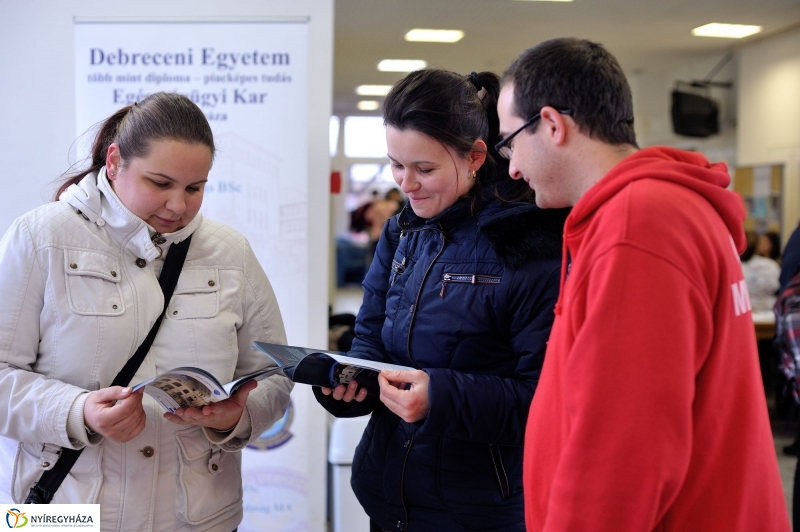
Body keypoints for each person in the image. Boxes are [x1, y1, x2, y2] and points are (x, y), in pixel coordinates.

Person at [496, 38, 790, 531]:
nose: (513, 168)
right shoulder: (664, 209)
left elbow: (621, 453)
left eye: (509, 142)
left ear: (551, 125)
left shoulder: (636, 226)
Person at [0, 92, 292, 532]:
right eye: (160, 183)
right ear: (114, 162)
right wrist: (79, 411)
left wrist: (237, 416)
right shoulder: (41, 237)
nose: (178, 205)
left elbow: (274, 371)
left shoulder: (229, 251)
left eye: (195, 188)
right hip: (62, 513)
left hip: (198, 516)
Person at [315, 69, 567, 532]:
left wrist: (441, 398)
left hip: (479, 510)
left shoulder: (529, 242)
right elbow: (371, 338)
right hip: (388, 497)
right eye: (395, 164)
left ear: (474, 156)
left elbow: (548, 401)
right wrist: (350, 382)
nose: (404, 184)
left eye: (424, 168)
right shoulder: (402, 231)